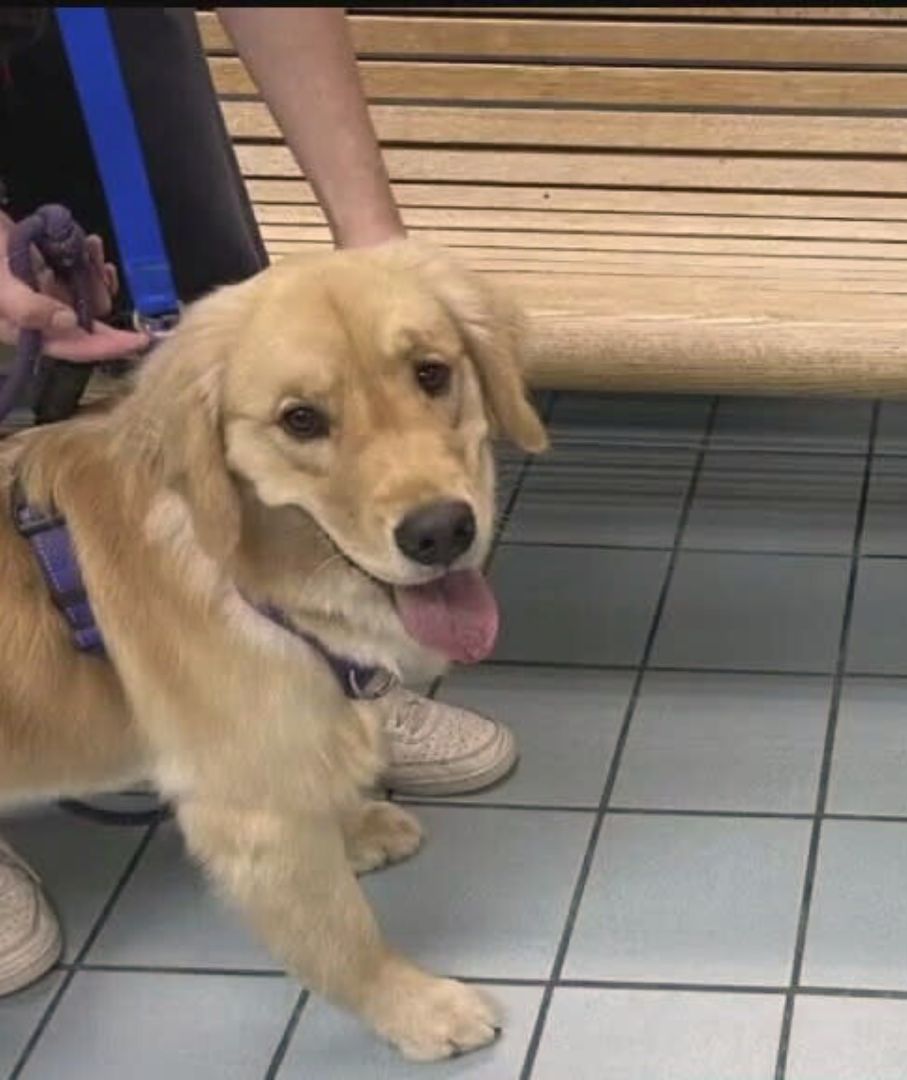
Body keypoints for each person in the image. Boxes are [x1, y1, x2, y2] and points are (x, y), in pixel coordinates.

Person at [0, 8, 521, 996]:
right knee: (250, 783)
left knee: (236, 361)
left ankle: (323, 692)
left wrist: (379, 242)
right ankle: (269, 760)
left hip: (101, 41)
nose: (429, 497)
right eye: (308, 426)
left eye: (431, 376)